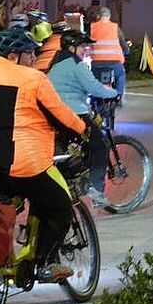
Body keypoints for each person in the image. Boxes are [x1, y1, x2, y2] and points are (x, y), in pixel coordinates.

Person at [0, 28, 87, 283]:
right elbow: (61, 116)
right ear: (12, 56)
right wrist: (84, 132)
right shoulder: (33, 79)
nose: (33, 58)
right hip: (25, 166)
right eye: (29, 52)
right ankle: (44, 263)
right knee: (59, 206)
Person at [46, 29, 119, 207]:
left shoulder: (55, 63)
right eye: (82, 46)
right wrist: (114, 93)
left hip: (54, 114)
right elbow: (95, 88)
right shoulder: (76, 64)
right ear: (71, 47)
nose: (85, 50)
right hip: (73, 114)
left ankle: (72, 180)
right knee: (100, 146)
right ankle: (95, 190)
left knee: (65, 150)